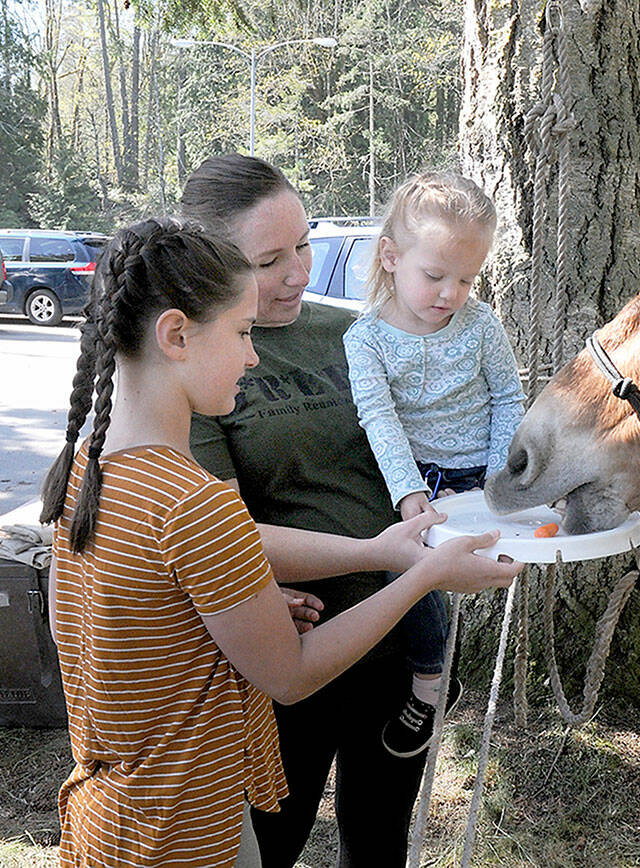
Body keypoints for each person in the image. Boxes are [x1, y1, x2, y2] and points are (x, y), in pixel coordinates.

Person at [41, 217, 520, 868]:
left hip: (107, 821)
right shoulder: (193, 502)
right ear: (176, 334)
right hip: (184, 834)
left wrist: (376, 553)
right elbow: (290, 676)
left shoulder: (88, 472)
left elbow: (159, 605)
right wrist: (424, 576)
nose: (253, 354)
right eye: (241, 332)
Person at [179, 155, 509, 867]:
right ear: (211, 263)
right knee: (274, 841)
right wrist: (264, 588)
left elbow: (446, 419)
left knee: (380, 837)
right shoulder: (204, 361)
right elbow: (213, 536)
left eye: (304, 244)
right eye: (271, 259)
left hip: (399, 629)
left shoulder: (352, 330)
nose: (301, 271)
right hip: (291, 646)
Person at [342, 171, 526, 757]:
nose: (451, 293)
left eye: (467, 279)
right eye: (435, 275)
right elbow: (380, 418)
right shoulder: (365, 338)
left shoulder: (481, 324)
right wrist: (407, 491)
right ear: (392, 258)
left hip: (482, 473)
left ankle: (453, 663)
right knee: (410, 572)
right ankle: (429, 683)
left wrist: (499, 474)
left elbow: (507, 396)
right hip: (418, 476)